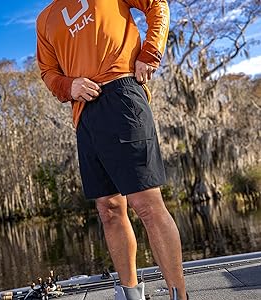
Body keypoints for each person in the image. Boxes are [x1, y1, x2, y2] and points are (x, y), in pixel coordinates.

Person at [36, 1, 188, 299]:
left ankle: (178, 295)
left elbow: (157, 5)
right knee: (109, 209)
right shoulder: (45, 19)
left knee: (145, 204)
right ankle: (131, 294)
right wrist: (69, 86)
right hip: (84, 114)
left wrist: (150, 51)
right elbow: (48, 72)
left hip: (122, 94)